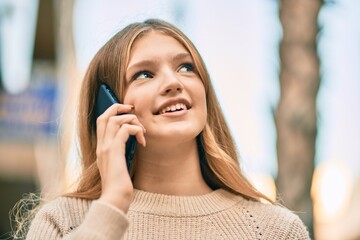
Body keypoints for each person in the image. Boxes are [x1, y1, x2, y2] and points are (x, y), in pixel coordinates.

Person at [22, 19, 310, 239]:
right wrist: (112, 205)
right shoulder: (63, 221)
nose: (174, 83)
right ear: (108, 108)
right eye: (144, 74)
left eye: (186, 68)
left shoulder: (275, 230)